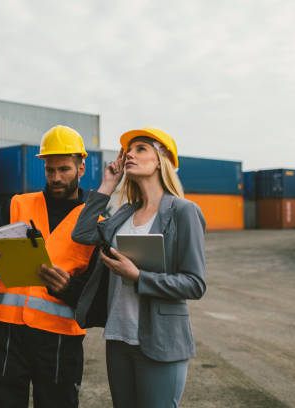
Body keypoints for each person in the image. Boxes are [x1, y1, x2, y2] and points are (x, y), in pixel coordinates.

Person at [38, 127, 206, 408]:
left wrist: (138, 276)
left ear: (161, 159)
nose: (130, 154)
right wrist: (107, 186)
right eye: (128, 150)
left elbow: (195, 283)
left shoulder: (183, 211)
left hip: (160, 340)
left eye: (141, 148)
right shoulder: (125, 212)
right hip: (118, 338)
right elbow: (82, 233)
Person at [0, 125, 99, 408]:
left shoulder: (96, 221)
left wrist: (68, 288)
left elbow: (98, 296)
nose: (56, 178)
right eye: (50, 170)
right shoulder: (17, 204)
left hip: (59, 339)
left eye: (64, 169)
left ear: (81, 167)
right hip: (6, 332)